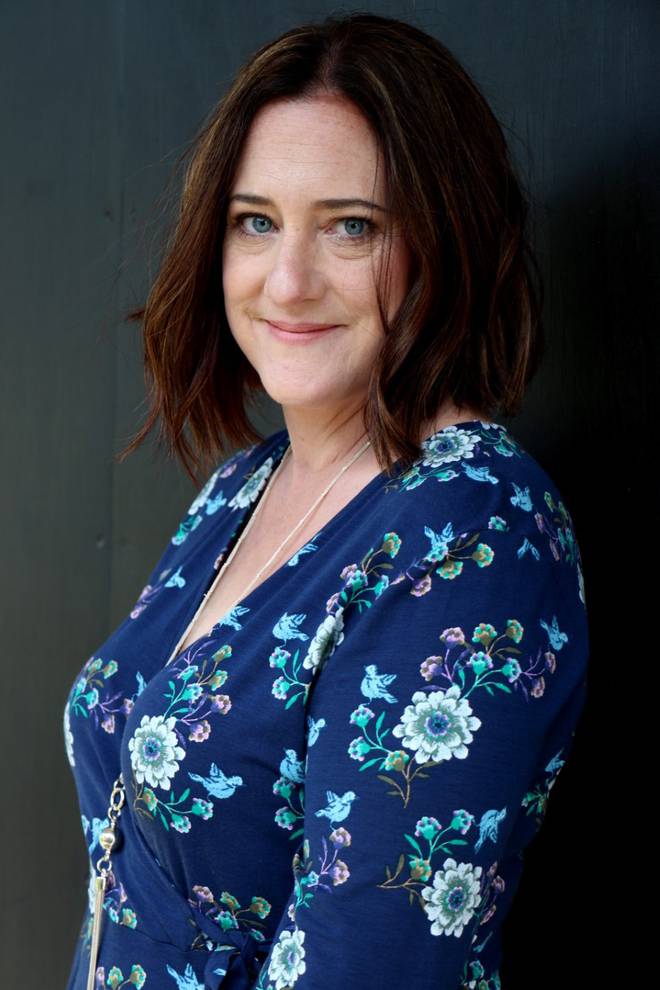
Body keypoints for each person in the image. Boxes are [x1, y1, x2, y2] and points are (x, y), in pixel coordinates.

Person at [63, 12, 589, 990]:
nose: (289, 280)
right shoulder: (242, 487)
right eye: (255, 222)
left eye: (353, 226)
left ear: (445, 240)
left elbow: (368, 958)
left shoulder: (473, 529)